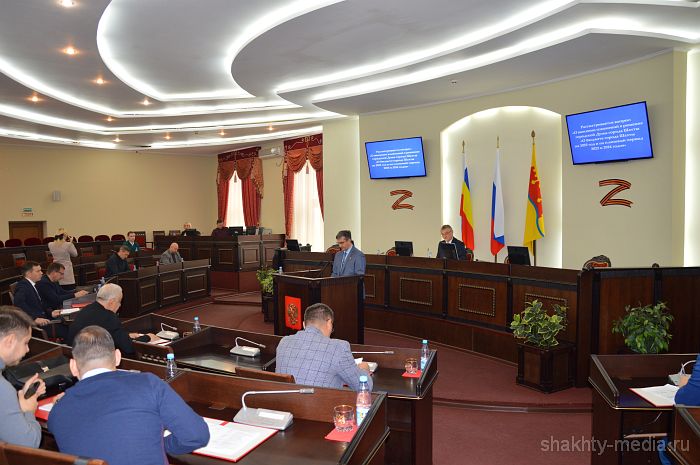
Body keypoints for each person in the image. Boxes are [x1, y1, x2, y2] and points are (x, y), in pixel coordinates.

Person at [48, 326, 209, 465]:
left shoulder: (58, 411)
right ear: (117, 357)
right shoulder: (148, 384)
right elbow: (196, 436)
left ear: (73, 366)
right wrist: (158, 443)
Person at [275, 303, 372, 391]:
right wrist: (364, 369)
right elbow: (365, 387)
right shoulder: (339, 347)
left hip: (285, 406)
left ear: (304, 324)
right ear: (329, 323)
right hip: (320, 408)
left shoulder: (284, 342)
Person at [67, 284, 156, 356]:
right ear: (112, 302)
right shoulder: (108, 317)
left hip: (75, 354)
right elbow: (128, 347)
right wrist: (148, 337)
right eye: (119, 301)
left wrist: (127, 335)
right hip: (93, 361)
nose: (120, 305)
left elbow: (109, 333)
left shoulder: (87, 309)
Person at [0, 305, 45, 447]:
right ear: (10, 341)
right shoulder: (3, 389)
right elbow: (29, 444)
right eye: (26, 342)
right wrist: (27, 410)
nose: (28, 349)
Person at [13, 261, 52, 327]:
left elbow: (39, 305)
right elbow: (18, 303)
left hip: (45, 318)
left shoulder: (33, 284)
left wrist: (51, 312)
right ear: (29, 273)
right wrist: (34, 318)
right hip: (39, 325)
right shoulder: (23, 285)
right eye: (38, 271)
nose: (42, 273)